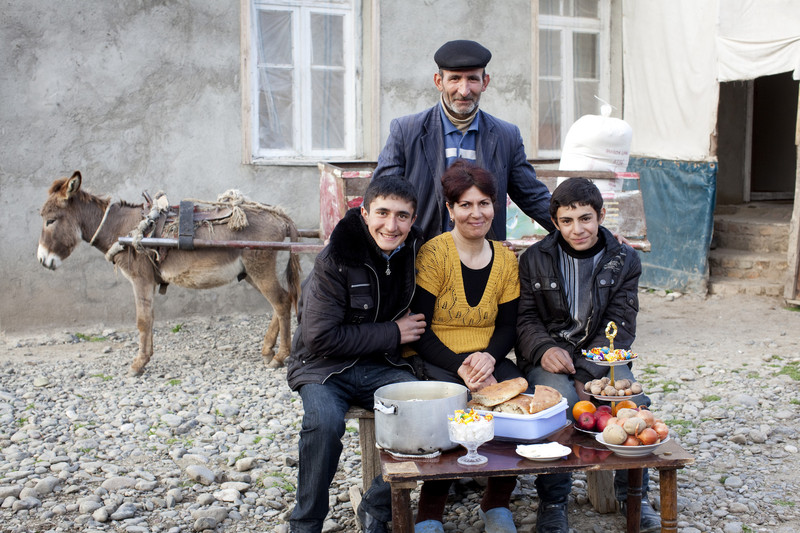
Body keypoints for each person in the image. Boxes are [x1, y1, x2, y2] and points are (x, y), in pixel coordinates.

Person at [515, 177, 659, 533]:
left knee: (630, 404)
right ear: (554, 221)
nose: (577, 229)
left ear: (601, 216)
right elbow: (525, 318)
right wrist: (543, 348)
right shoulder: (534, 258)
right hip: (550, 356)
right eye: (566, 221)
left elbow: (619, 324)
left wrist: (586, 373)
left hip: (603, 356)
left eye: (585, 218)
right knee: (557, 403)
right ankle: (553, 501)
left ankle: (634, 495)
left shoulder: (623, 259)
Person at [285, 176, 427, 533]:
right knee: (323, 424)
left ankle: (376, 505)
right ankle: (305, 523)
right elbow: (319, 338)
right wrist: (393, 332)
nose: (391, 225)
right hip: (323, 368)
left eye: (402, 216)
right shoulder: (336, 257)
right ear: (364, 213)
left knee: (425, 413)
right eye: (382, 213)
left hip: (381, 364)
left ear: (413, 219)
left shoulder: (416, 251)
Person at [406, 160, 524, 533]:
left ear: (494, 206)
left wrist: (488, 359)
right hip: (437, 355)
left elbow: (508, 326)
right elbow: (420, 329)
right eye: (466, 205)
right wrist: (462, 368)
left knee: (515, 405)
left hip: (487, 355)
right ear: (450, 209)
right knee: (453, 408)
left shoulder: (505, 260)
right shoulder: (435, 253)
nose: (476, 213)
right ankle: (429, 513)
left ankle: (497, 502)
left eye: (484, 203)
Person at [372, 39, 555, 242]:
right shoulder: (406, 131)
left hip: (483, 255)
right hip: (421, 254)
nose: (464, 90)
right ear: (438, 81)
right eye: (455, 79)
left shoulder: (507, 136)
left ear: (485, 82)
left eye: (473, 79)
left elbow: (532, 197)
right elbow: (380, 195)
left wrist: (572, 229)